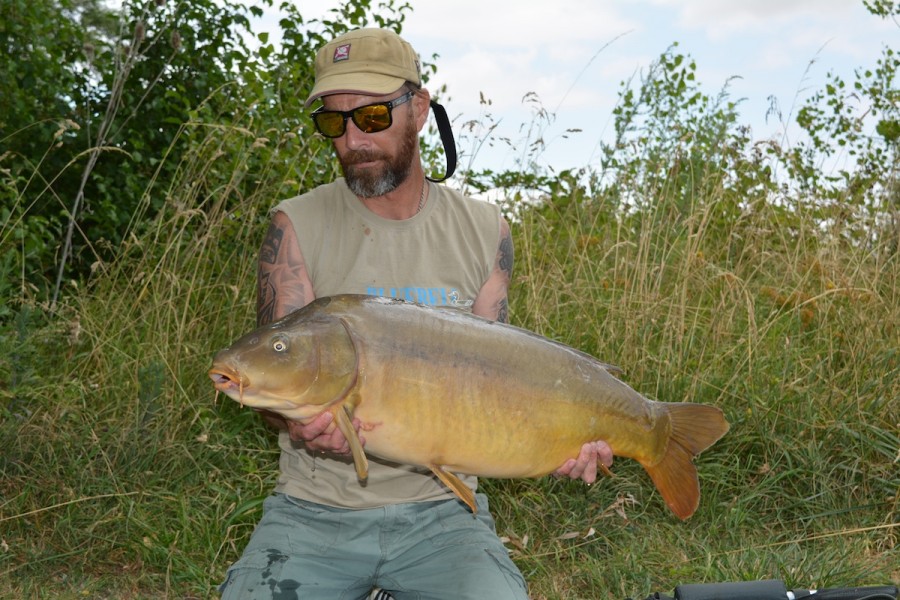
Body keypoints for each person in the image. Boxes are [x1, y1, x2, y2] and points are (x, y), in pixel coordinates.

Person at [219, 27, 614, 600]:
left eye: (372, 117)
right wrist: (298, 425)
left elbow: (501, 385)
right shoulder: (294, 225)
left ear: (419, 109)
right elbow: (276, 374)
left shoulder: (486, 230)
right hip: (314, 510)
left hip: (445, 513)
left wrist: (558, 442)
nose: (354, 139)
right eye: (335, 122)